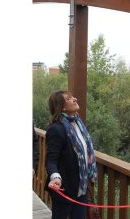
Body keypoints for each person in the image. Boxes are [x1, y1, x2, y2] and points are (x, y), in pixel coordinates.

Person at [45, 90, 97, 219]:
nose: (75, 99)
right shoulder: (56, 129)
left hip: (81, 189)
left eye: (73, 96)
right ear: (61, 106)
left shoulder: (79, 124)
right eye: (69, 98)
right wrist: (55, 177)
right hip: (64, 190)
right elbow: (51, 160)